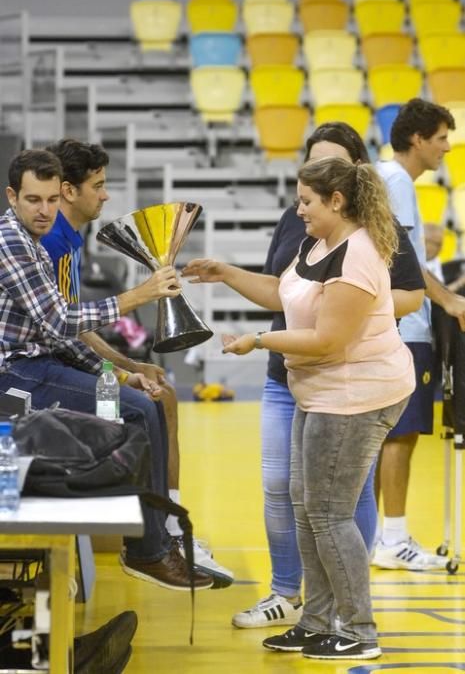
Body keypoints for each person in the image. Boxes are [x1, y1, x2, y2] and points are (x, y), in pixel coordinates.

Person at [185, 122, 424, 629]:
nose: (297, 210)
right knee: (305, 503)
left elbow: (328, 339)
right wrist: (227, 273)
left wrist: (257, 341)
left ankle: (355, 627)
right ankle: (312, 620)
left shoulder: (359, 250)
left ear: (337, 197)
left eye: (305, 200)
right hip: (316, 386)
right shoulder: (314, 240)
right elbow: (283, 294)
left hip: (352, 390)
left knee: (332, 513)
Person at [0, 148, 213, 591]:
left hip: (37, 367)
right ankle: (149, 550)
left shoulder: (37, 242)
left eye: (50, 200)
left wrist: (115, 372)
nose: (44, 210)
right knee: (137, 411)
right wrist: (139, 296)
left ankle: (155, 537)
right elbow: (61, 322)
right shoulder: (12, 243)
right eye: (33, 200)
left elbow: (56, 334)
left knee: (146, 403)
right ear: (11, 197)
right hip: (16, 378)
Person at [373, 98, 465, 570]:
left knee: (382, 435)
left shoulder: (384, 179)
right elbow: (403, 260)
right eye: (442, 138)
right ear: (417, 139)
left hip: (387, 325)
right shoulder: (396, 182)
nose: (448, 148)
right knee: (400, 435)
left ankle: (373, 535)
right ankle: (393, 537)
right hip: (403, 329)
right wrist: (449, 300)